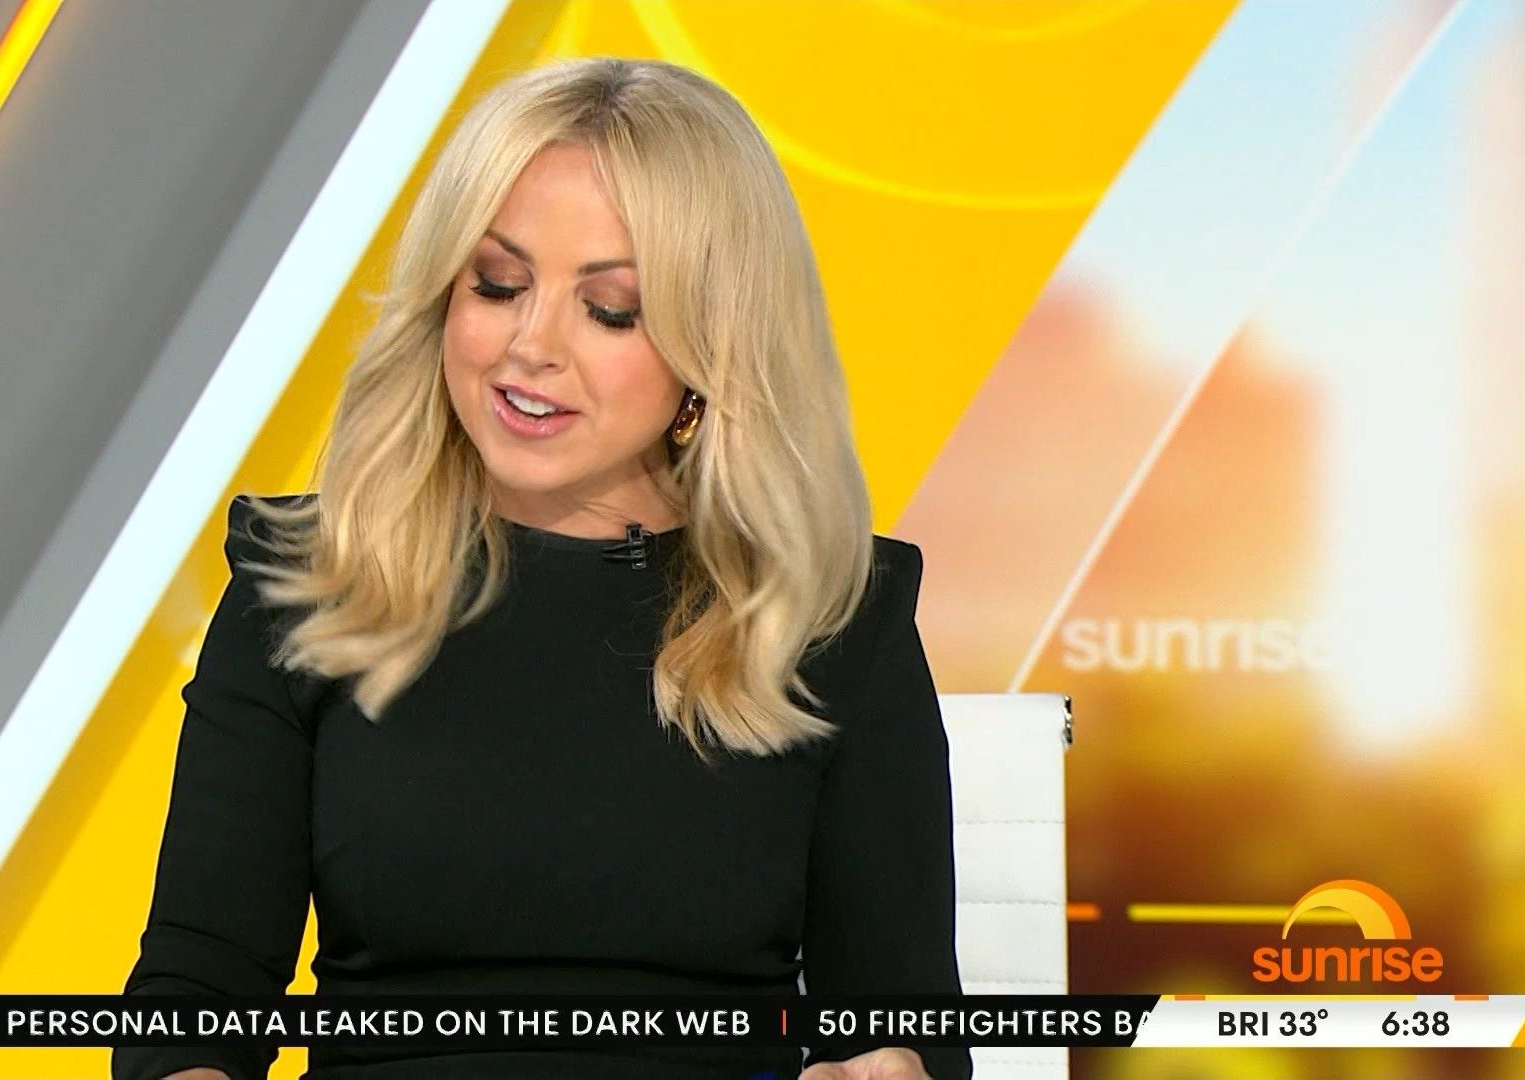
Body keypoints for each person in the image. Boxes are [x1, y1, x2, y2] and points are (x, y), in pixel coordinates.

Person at [111, 57, 969, 1080]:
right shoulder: (303, 581)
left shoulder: (831, 616)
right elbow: (198, 996)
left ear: (712, 345)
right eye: (498, 284)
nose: (531, 346)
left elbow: (896, 1022)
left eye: (609, 309)